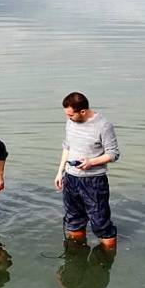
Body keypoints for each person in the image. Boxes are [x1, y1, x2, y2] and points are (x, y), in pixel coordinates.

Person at [53, 92, 120, 249]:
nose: (69, 118)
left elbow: (113, 154)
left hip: (93, 181)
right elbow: (67, 147)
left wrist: (91, 162)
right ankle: (75, 261)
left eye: (71, 115)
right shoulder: (70, 122)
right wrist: (60, 172)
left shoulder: (103, 125)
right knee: (73, 221)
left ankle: (105, 262)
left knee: (100, 223)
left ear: (82, 111)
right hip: (70, 178)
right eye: (67, 115)